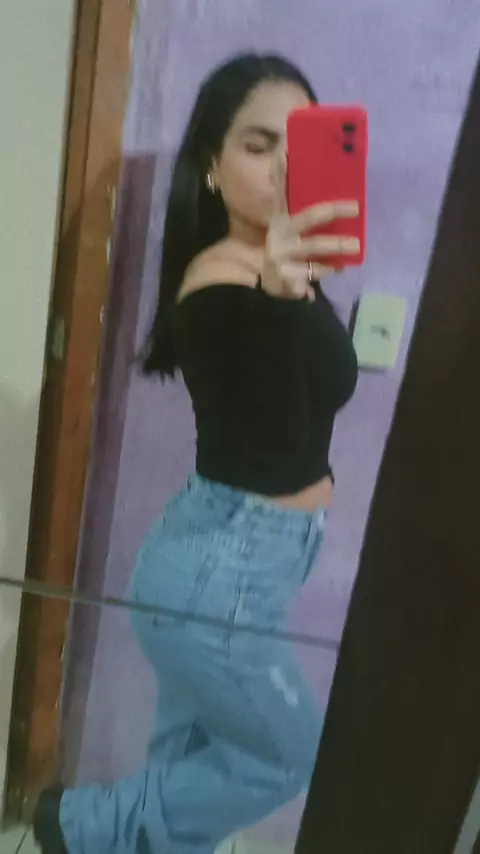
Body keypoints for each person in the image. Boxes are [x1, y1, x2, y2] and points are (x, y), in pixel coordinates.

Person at [34, 53, 359, 854]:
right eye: (257, 144)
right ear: (211, 167)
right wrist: (280, 298)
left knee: (192, 762)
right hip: (223, 568)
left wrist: (293, 290)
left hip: (245, 563)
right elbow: (276, 447)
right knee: (291, 752)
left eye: (299, 142)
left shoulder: (286, 270)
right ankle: (77, 825)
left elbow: (320, 395)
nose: (283, 165)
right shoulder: (216, 284)